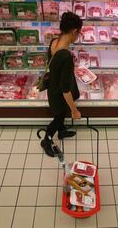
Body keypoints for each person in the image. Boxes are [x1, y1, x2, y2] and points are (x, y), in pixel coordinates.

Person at [40, 12, 83, 157]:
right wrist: (75, 110)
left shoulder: (54, 41)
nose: (78, 36)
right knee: (58, 118)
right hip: (59, 94)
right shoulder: (66, 56)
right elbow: (66, 90)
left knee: (61, 115)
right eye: (79, 33)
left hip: (53, 87)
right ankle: (46, 140)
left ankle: (62, 132)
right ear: (74, 31)